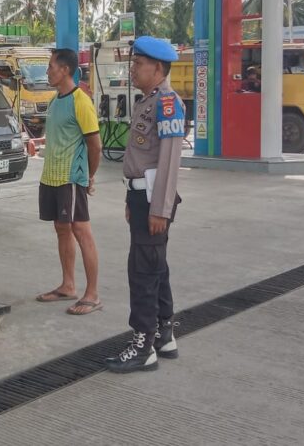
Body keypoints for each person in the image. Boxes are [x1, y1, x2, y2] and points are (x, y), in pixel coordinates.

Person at [105, 36, 184, 374]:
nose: (132, 69)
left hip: (154, 198)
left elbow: (169, 162)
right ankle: (164, 334)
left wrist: (159, 210)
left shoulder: (167, 104)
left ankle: (143, 345)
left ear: (158, 68)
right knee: (156, 267)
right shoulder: (147, 102)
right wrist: (131, 199)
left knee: (142, 272)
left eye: (138, 64)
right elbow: (139, 159)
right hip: (141, 196)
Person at [35, 48, 103, 316]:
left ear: (65, 70)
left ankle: (93, 294)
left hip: (70, 179)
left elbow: (95, 145)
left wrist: (88, 176)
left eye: (51, 66)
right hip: (51, 178)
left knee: (81, 231)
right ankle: (68, 285)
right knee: (61, 229)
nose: (47, 71)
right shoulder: (55, 100)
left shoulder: (80, 101)